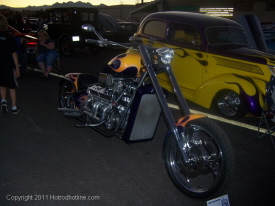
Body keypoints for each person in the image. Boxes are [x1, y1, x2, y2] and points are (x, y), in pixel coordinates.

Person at [0, 14, 20, 114]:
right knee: (12, 87)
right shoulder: (10, 38)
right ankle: (14, 107)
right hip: (8, 65)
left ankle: (3, 101)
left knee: (2, 84)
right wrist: (17, 68)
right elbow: (14, 54)